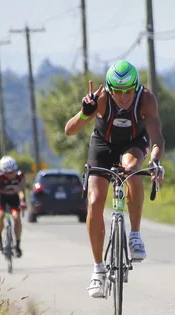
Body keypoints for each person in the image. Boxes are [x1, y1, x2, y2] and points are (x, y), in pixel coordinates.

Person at [64, 59, 165, 298]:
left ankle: (135, 236)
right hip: (102, 146)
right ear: (110, 89)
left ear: (136, 88)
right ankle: (98, 269)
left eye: (128, 90)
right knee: (94, 201)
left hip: (133, 144)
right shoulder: (100, 99)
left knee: (131, 168)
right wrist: (84, 113)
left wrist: (155, 160)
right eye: (118, 91)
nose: (124, 97)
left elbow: (157, 137)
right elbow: (70, 130)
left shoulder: (146, 99)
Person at [0, 155, 27, 257]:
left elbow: (22, 191)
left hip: (14, 199)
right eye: (8, 173)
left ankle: (17, 244)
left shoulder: (20, 176)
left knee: (17, 218)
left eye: (13, 171)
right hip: (1, 199)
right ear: (3, 171)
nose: (11, 175)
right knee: (0, 216)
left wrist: (23, 201)